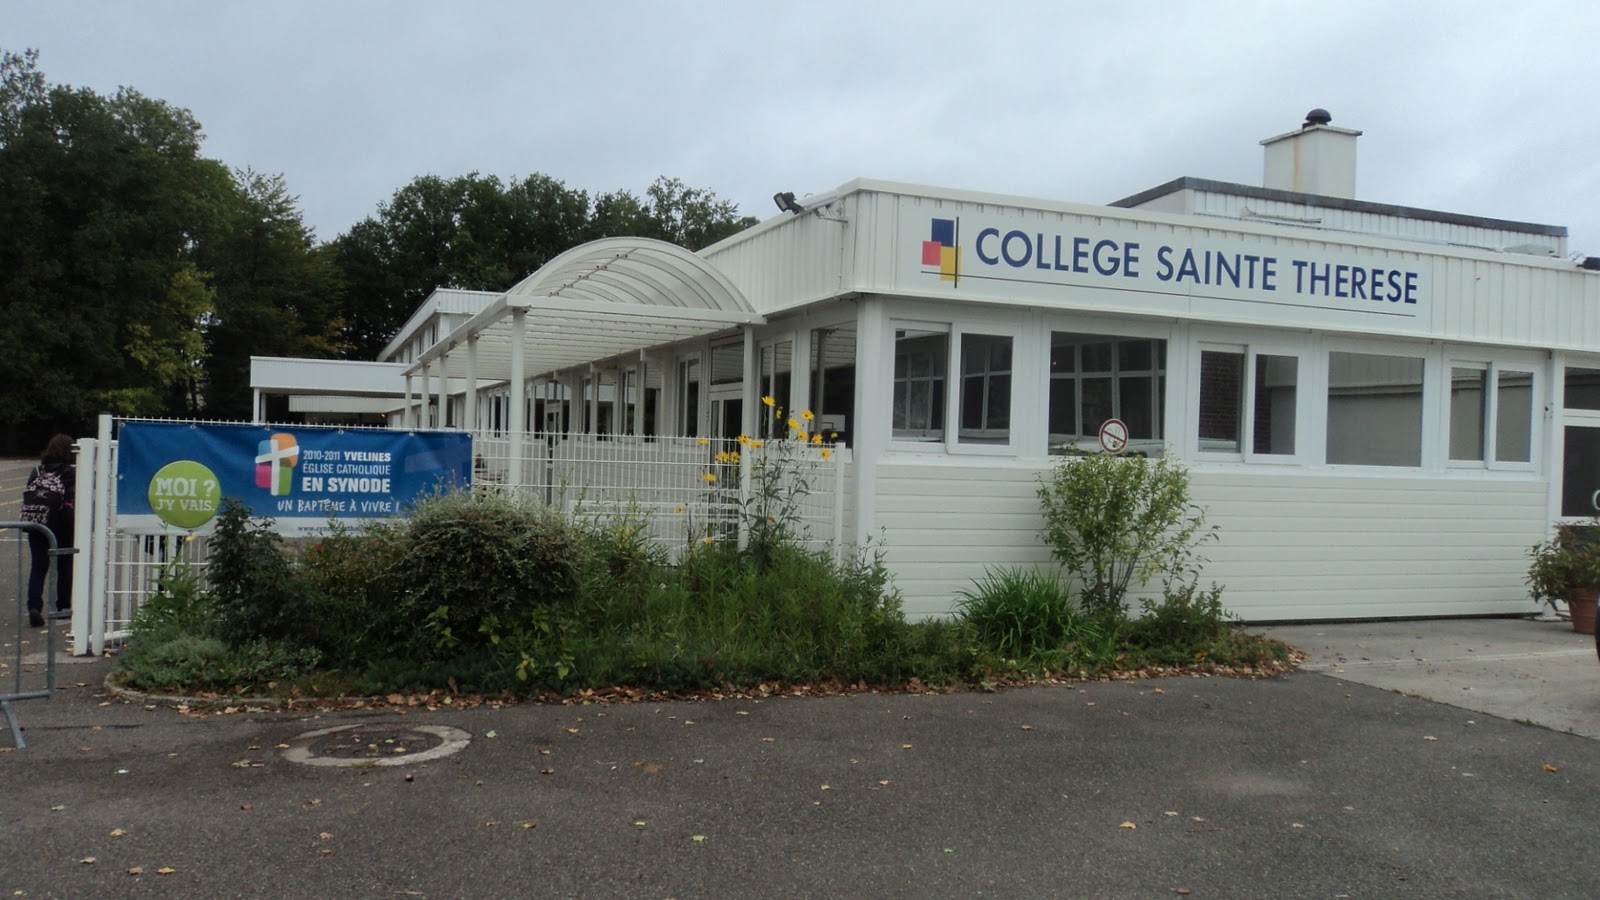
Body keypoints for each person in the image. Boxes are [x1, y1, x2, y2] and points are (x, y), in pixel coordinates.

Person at [21, 434, 75, 628]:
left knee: (38, 566)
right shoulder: (70, 471)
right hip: (62, 523)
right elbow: (71, 498)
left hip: (38, 522)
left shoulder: (37, 470)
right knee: (65, 566)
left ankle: (34, 606)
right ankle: (62, 606)